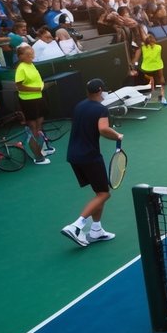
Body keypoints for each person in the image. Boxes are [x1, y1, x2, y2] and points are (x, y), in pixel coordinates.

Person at [60, 78, 123, 246]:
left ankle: (96, 230)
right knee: (104, 194)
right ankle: (77, 226)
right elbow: (103, 129)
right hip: (90, 156)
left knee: (99, 193)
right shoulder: (101, 109)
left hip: (73, 156)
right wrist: (117, 135)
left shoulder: (79, 106)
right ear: (100, 90)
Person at [12, 44, 54, 164]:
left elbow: (38, 80)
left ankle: (43, 149)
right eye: (29, 55)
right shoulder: (21, 68)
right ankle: (38, 157)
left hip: (38, 99)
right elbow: (19, 86)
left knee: (40, 124)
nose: (32, 57)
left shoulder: (31, 65)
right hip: (28, 102)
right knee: (33, 128)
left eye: (32, 54)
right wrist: (36, 89)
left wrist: (40, 86)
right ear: (21, 57)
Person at [139, 32, 167, 105]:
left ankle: (153, 95)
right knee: (160, 79)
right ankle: (163, 97)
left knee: (151, 80)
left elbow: (143, 42)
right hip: (158, 67)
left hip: (146, 69)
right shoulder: (159, 47)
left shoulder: (143, 47)